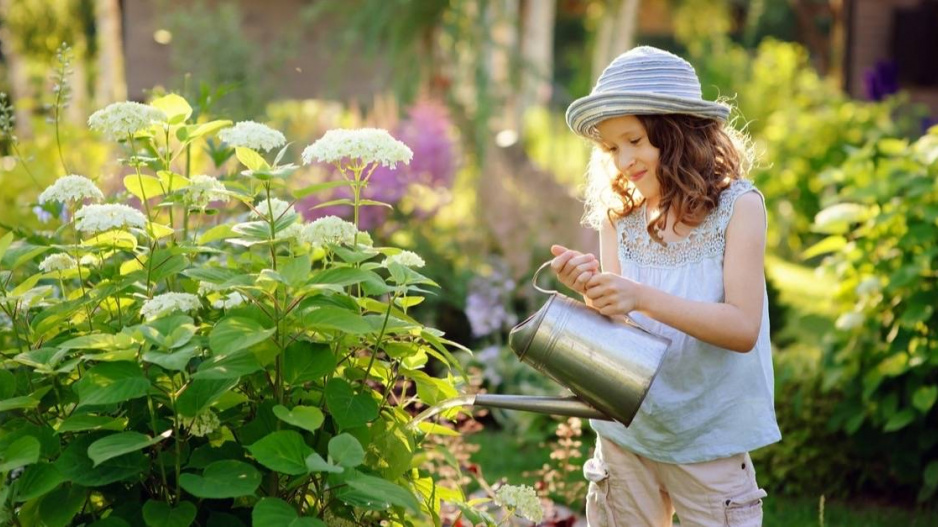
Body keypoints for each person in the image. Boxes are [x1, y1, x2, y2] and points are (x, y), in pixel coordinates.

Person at [550, 46, 781, 527]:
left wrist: (641, 296)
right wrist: (594, 292)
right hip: (626, 433)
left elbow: (742, 328)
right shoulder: (621, 216)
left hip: (707, 438)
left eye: (634, 139)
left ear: (677, 133)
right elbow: (620, 324)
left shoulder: (739, 208)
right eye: (613, 148)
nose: (624, 160)